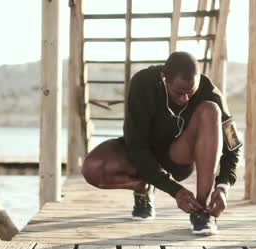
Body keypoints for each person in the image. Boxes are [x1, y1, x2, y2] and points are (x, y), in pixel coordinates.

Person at [82, 52, 242, 235]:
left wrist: (223, 186)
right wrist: (174, 190)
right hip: (141, 157)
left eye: (191, 93)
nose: (185, 100)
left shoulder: (209, 91)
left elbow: (233, 145)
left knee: (211, 110)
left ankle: (201, 211)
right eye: (179, 93)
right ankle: (142, 186)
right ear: (164, 77)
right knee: (92, 168)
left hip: (178, 157)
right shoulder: (142, 83)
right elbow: (136, 145)